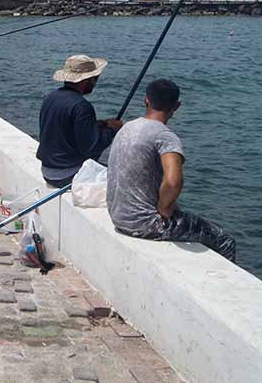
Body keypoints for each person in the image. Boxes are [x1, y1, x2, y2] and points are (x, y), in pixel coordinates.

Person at [107, 79, 236, 261]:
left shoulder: (127, 127)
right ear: (176, 106)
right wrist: (163, 208)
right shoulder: (164, 136)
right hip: (145, 225)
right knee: (225, 241)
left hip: (118, 217)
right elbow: (173, 181)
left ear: (146, 100)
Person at [36, 55, 122, 187]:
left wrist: (98, 125)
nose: (95, 82)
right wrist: (112, 130)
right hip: (67, 175)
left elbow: (63, 127)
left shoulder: (50, 97)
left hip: (47, 171)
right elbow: (91, 149)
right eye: (94, 78)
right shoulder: (82, 106)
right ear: (85, 80)